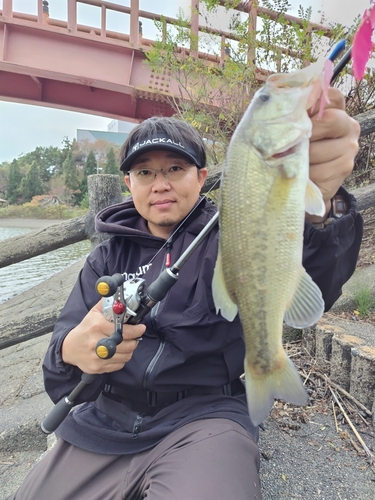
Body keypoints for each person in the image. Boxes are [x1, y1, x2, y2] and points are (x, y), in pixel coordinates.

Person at [8, 87, 362, 500]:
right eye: (144, 172)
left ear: (200, 175)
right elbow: (58, 371)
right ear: (128, 182)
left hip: (205, 418)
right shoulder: (104, 260)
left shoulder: (233, 234)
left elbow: (316, 272)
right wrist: (71, 349)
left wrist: (326, 202)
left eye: (175, 168)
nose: (160, 184)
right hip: (104, 424)